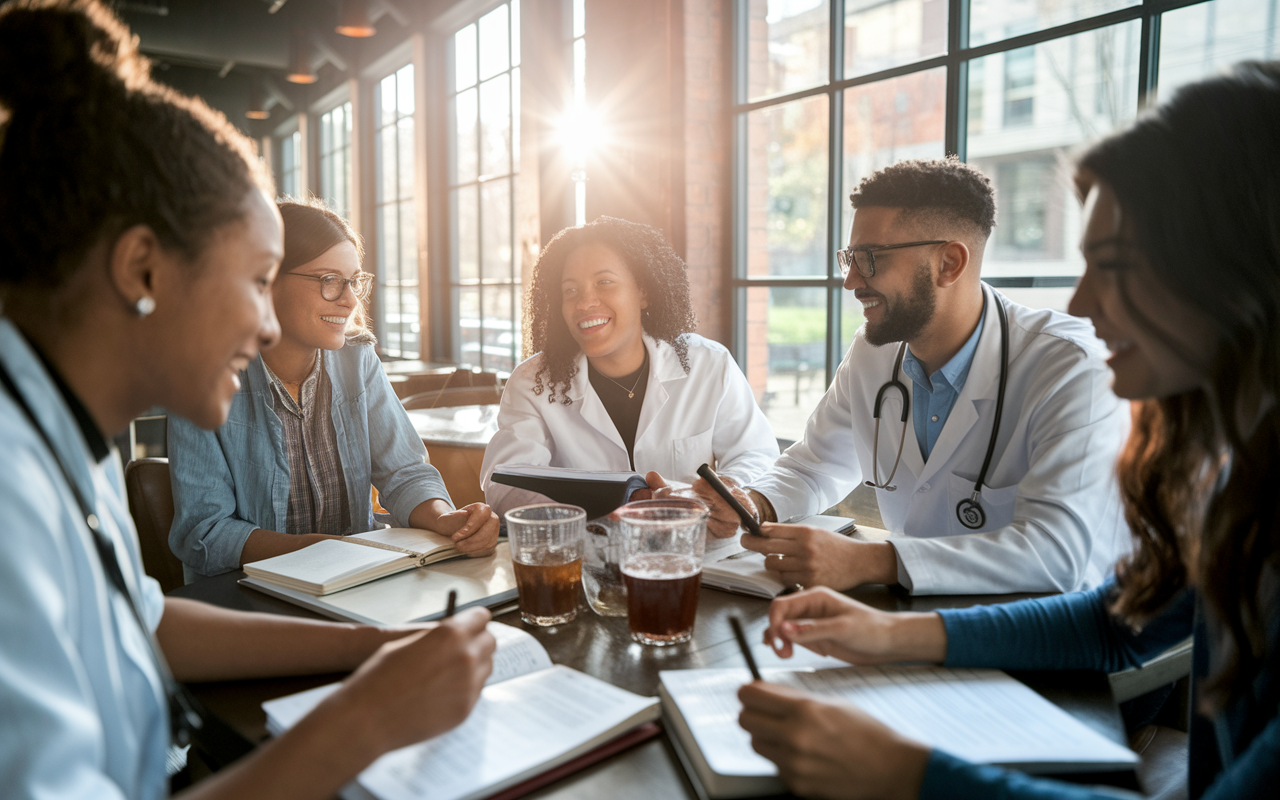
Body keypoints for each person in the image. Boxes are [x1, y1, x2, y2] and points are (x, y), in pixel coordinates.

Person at [737, 61, 1280, 799]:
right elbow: (1117, 625)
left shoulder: (1068, 367)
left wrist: (908, 774)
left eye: (1116, 266)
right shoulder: (1244, 483)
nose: (1084, 303)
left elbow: (1064, 568)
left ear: (1240, 271)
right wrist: (886, 634)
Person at [0, 3, 494, 798]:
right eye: (259, 281)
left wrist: (367, 651)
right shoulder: (8, 489)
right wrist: (364, 719)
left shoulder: (62, 438)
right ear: (143, 271)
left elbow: (144, 619)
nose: (267, 322)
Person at [674, 158, 1129, 594]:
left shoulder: (1071, 367)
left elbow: (1058, 553)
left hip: (1052, 640)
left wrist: (873, 561)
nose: (851, 281)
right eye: (850, 257)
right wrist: (754, 504)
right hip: (916, 616)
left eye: (871, 258)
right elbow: (813, 466)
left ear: (949, 264)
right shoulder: (874, 352)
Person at [168, 199, 499, 578]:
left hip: (357, 583)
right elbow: (205, 534)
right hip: (247, 600)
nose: (350, 299)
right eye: (329, 280)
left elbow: (404, 473)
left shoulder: (357, 361)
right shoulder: (202, 378)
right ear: (266, 282)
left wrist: (445, 519)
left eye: (354, 281)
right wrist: (325, 552)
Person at [480, 216, 779, 517]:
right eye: (570, 290)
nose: (584, 302)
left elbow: (757, 456)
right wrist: (588, 514)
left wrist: (716, 495)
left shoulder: (709, 364)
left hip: (695, 548)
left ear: (643, 292)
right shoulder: (533, 382)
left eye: (604, 282)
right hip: (587, 553)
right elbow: (505, 484)